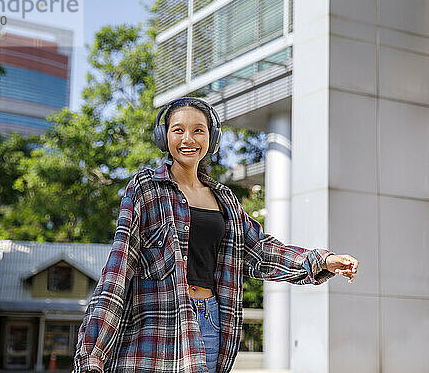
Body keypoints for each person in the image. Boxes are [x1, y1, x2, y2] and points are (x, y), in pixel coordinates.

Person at [73, 97, 359, 373]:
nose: (189, 139)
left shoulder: (224, 199)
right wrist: (91, 355)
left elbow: (260, 250)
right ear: (164, 137)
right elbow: (117, 273)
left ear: (212, 138)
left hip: (210, 322)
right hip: (156, 330)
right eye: (178, 130)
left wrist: (322, 260)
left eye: (199, 130)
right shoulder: (146, 189)